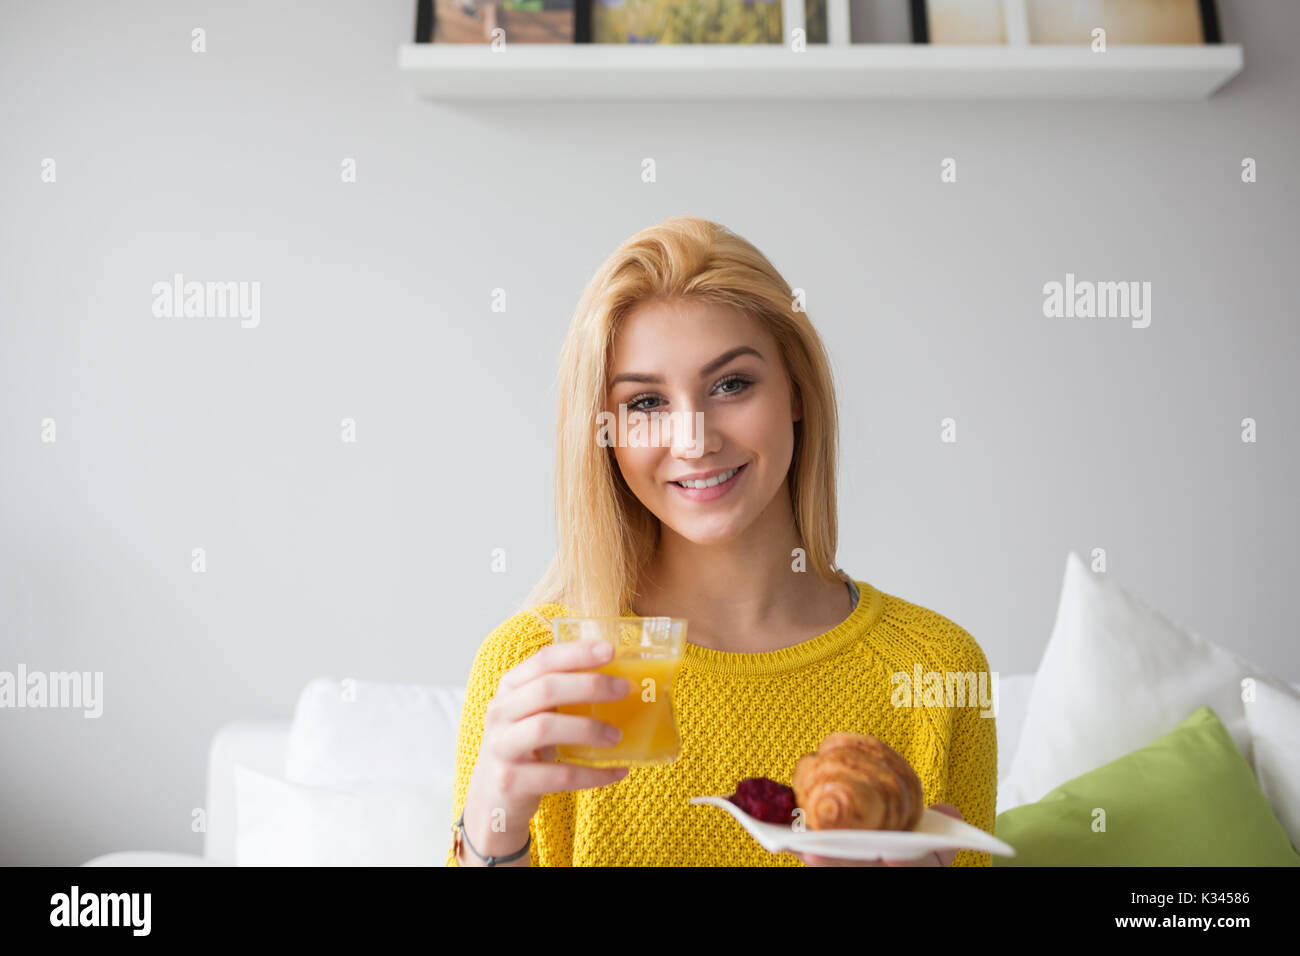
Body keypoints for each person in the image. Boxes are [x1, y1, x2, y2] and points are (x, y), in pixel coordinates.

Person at [448, 216, 997, 866]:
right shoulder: (537, 669)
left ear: (796, 390)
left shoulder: (937, 670)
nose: (694, 440)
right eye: (646, 403)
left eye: (731, 385)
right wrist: (492, 834)